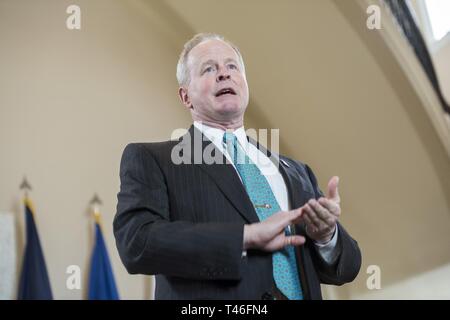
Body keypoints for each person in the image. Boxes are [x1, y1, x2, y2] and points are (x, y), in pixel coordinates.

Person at [113, 33, 361, 300]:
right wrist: (245, 237)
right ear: (186, 97)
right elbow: (136, 243)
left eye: (232, 66)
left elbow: (346, 269)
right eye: (209, 69)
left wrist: (326, 235)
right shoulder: (154, 159)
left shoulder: (297, 171)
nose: (224, 74)